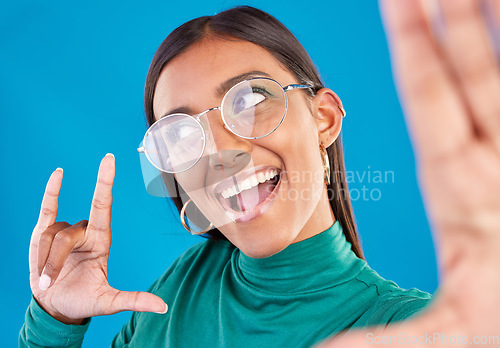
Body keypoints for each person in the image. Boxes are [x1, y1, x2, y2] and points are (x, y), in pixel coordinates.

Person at [19, 1, 500, 347]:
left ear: (324, 119)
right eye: (182, 136)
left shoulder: (408, 328)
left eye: (250, 100)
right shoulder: (176, 294)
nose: (221, 151)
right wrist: (54, 321)